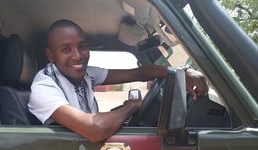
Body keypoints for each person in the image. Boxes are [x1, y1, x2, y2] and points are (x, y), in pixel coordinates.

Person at [28, 19, 208, 143]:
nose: (78, 56)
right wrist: (131, 107)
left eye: (82, 46)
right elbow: (94, 129)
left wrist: (181, 72)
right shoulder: (44, 86)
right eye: (66, 49)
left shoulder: (86, 74)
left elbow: (139, 73)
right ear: (50, 55)